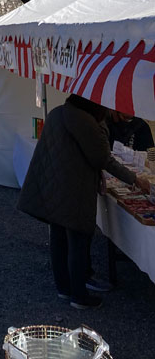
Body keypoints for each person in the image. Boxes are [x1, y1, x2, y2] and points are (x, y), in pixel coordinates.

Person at [18, 93, 150, 309]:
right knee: (78, 241)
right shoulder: (85, 122)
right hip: (74, 189)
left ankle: (64, 289)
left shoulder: (57, 113)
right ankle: (79, 296)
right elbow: (102, 158)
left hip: (54, 186)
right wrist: (134, 179)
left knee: (59, 238)